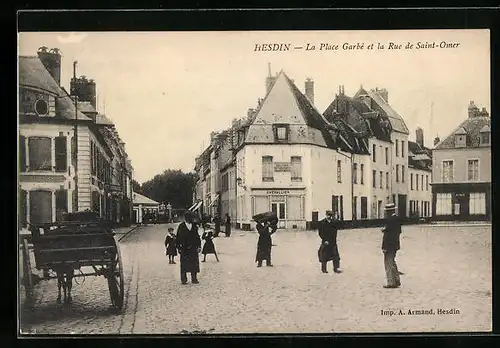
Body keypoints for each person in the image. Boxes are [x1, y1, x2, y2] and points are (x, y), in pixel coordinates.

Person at [175, 211, 202, 284]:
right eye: (188, 217)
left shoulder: (194, 226)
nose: (190, 219)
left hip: (193, 248)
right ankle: (183, 279)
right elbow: (178, 237)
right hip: (184, 248)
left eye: (191, 217)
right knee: (184, 264)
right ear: (185, 218)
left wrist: (199, 246)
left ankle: (194, 278)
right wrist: (178, 247)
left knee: (194, 263)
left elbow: (197, 237)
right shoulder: (181, 226)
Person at [381, 203, 403, 289]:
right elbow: (398, 232)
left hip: (389, 246)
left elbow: (388, 236)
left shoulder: (389, 221)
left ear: (389, 212)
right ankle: (397, 280)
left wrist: (384, 247)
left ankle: (391, 282)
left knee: (388, 263)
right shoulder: (397, 219)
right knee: (392, 262)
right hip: (395, 245)